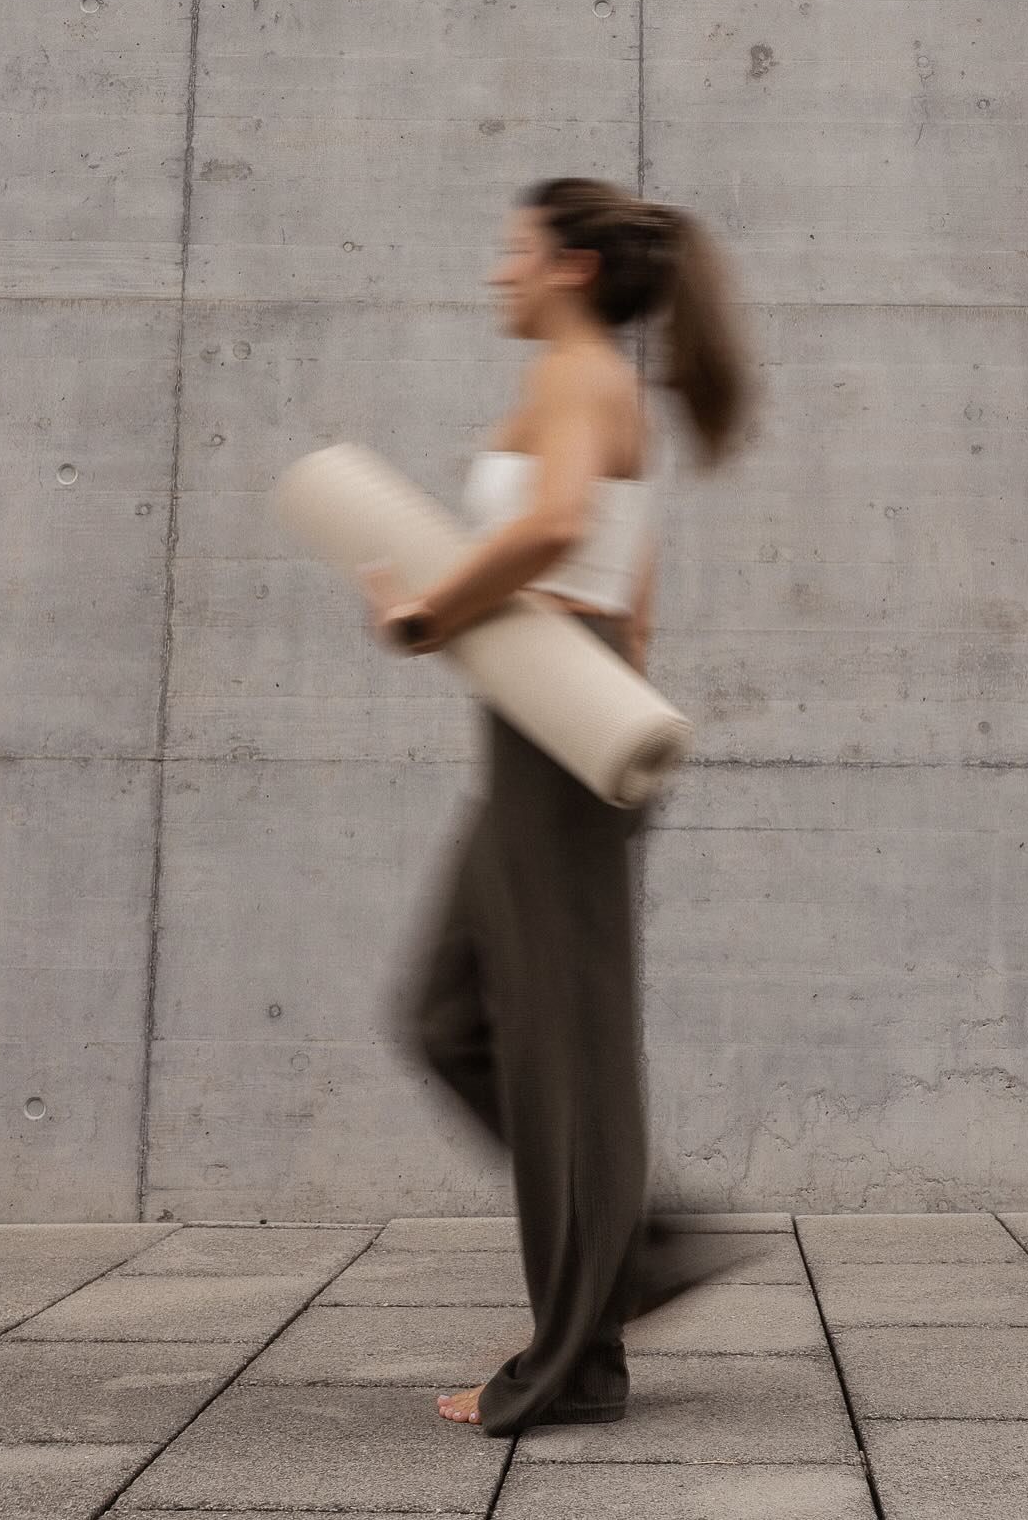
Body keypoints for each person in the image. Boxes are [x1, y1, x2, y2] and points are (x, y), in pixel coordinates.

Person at [360, 176, 756, 1436]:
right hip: (550, 732)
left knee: (560, 1056)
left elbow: (561, 522)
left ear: (570, 268)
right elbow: (627, 590)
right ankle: (634, 1252)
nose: (498, 272)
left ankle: (575, 1360)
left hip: (562, 751)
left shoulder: (585, 381)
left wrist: (430, 611)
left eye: (514, 251)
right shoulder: (577, 382)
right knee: (447, 1017)